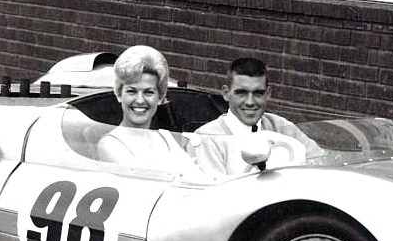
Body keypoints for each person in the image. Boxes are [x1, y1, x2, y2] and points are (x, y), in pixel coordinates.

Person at [194, 57, 323, 175]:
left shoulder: (281, 126)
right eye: (241, 93)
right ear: (226, 93)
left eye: (258, 93)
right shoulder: (207, 138)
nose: (250, 102)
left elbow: (320, 163)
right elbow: (214, 194)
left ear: (268, 94)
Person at [96, 45, 200, 175]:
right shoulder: (110, 144)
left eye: (149, 92)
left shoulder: (166, 137)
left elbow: (197, 179)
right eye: (132, 91)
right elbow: (142, 183)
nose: (140, 100)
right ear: (118, 94)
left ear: (160, 97)